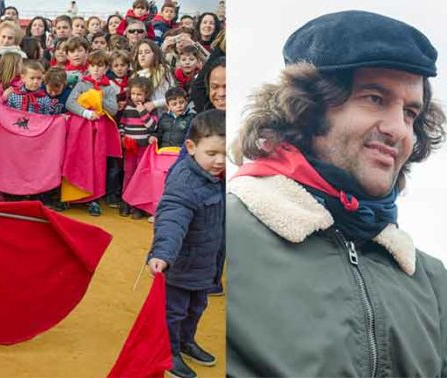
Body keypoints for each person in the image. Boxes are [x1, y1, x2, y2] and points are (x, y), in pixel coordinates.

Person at [227, 11, 447, 376]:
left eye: (410, 112)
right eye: (374, 98)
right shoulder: (229, 237)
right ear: (307, 110)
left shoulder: (432, 280)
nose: (398, 129)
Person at [147, 109, 225, 378]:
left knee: (196, 307)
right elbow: (172, 219)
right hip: (180, 265)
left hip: (204, 264)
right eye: (212, 154)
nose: (220, 161)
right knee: (174, 312)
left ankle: (185, 342)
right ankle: (169, 351)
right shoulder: (184, 181)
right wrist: (163, 254)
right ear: (191, 147)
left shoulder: (217, 178)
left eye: (226, 154)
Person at [65, 49, 119, 216]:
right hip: (81, 129)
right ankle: (71, 196)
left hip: (98, 132)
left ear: (106, 68)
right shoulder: (81, 84)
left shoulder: (109, 88)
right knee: (76, 159)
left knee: (97, 162)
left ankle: (93, 199)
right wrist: (85, 112)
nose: (96, 70)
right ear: (88, 66)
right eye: (93, 66)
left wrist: (98, 98)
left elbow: (114, 109)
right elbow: (69, 103)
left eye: (100, 66)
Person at [118, 76, 156, 219]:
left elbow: (153, 126)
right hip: (130, 147)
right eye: (133, 93)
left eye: (139, 94)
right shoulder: (127, 108)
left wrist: (142, 112)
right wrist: (122, 136)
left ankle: (138, 205)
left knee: (141, 176)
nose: (135, 97)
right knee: (128, 174)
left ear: (146, 95)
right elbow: (122, 123)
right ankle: (126, 202)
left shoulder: (149, 109)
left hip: (143, 148)